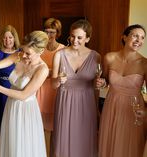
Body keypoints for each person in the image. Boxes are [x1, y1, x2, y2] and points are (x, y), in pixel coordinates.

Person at [0, 30, 49, 157]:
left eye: (28, 53)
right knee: (11, 142)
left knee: (24, 144)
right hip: (11, 106)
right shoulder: (19, 55)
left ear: (40, 51)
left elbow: (23, 95)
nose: (24, 55)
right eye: (23, 50)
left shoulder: (42, 70)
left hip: (25, 109)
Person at [51, 19, 99, 157]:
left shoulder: (96, 57)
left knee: (84, 141)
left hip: (87, 104)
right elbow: (53, 85)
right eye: (72, 36)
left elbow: (96, 87)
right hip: (65, 101)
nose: (75, 40)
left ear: (88, 38)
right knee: (63, 139)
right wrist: (58, 80)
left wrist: (96, 110)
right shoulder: (59, 55)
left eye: (79, 37)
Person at [98, 24, 147, 157]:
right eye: (135, 36)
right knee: (110, 143)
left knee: (130, 146)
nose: (139, 40)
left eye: (142, 38)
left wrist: (145, 111)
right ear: (124, 37)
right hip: (111, 106)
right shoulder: (109, 57)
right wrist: (102, 83)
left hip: (133, 109)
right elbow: (106, 81)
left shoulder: (145, 63)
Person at [36, 17, 65, 156]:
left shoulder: (63, 50)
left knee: (55, 128)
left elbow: (64, 72)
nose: (49, 35)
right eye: (46, 31)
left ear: (58, 33)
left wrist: (48, 72)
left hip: (54, 90)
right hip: (39, 88)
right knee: (40, 127)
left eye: (52, 32)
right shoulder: (39, 49)